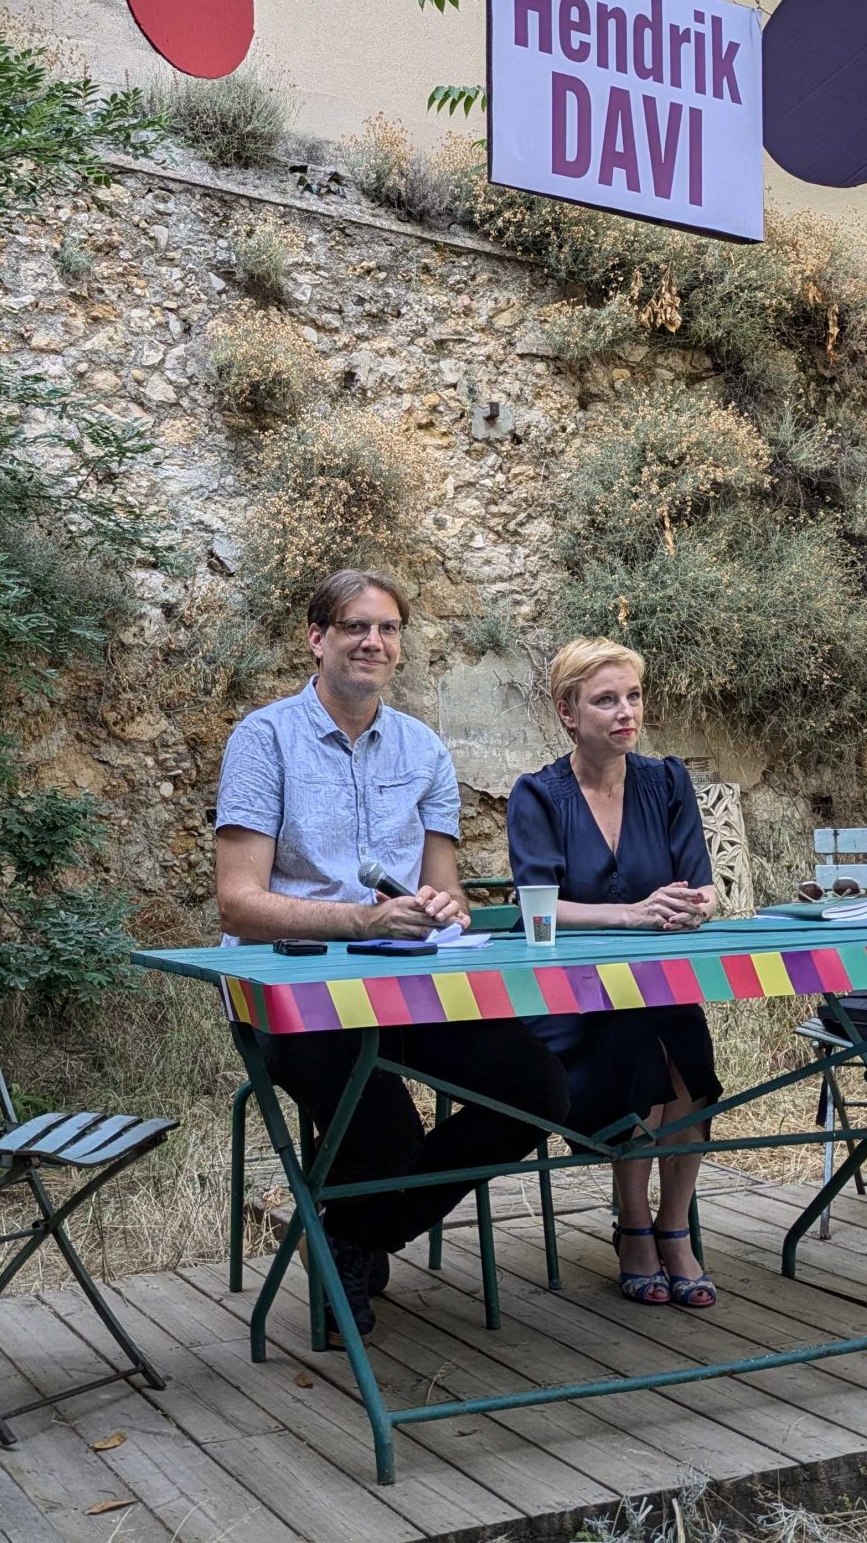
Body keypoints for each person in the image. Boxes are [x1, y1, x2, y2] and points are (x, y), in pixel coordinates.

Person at [214, 569, 571, 1334]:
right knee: (385, 1134)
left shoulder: (424, 748)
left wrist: (441, 907)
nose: (373, 641)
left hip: (409, 985)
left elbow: (447, 896)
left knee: (537, 1087)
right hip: (293, 992)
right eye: (354, 627)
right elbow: (238, 904)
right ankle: (350, 1231)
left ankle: (351, 1232)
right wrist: (357, 922)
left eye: (387, 629)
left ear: (400, 646)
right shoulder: (264, 738)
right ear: (318, 639)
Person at [507, 637, 723, 1308]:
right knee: (641, 1052)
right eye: (606, 700)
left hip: (658, 981)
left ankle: (675, 1223)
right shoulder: (538, 795)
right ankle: (634, 1223)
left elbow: (703, 886)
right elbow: (536, 911)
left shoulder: (668, 781)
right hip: (570, 995)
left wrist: (695, 906)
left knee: (688, 1056)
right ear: (568, 711)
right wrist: (631, 915)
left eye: (632, 696)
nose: (625, 712)